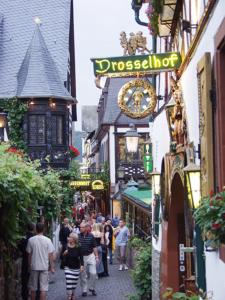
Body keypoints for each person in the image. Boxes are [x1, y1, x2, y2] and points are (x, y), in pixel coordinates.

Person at [26, 223, 55, 300]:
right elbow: (50, 255)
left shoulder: (31, 240)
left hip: (34, 266)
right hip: (44, 266)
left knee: (33, 288)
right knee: (43, 289)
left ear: (36, 229)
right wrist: (52, 267)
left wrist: (29, 266)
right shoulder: (48, 240)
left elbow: (29, 255)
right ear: (44, 229)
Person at [79, 221, 99, 297]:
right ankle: (84, 290)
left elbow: (94, 247)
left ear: (86, 228)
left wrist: (96, 257)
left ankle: (92, 288)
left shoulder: (91, 236)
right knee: (82, 275)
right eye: (80, 227)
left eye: (82, 227)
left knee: (93, 273)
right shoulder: (78, 236)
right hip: (82, 257)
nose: (80, 228)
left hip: (91, 256)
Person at [63, 233, 84, 300]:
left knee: (74, 283)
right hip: (67, 267)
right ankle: (69, 296)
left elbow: (81, 257)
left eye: (70, 237)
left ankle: (73, 294)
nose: (68, 238)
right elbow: (61, 257)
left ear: (74, 239)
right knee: (69, 282)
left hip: (76, 267)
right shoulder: (66, 246)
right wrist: (64, 253)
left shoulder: (78, 246)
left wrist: (82, 266)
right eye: (69, 237)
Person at [18, 222, 35, 300]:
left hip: (25, 261)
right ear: (34, 229)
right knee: (34, 282)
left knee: (24, 282)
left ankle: (25, 296)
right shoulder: (34, 239)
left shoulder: (24, 238)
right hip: (34, 261)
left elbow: (20, 248)